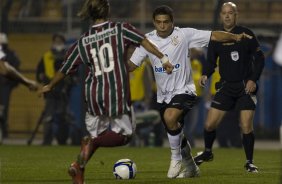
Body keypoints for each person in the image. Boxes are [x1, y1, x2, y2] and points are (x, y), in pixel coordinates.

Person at [39, 0, 173, 183]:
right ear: (108, 10)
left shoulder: (83, 41)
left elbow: (65, 68)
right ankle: (90, 144)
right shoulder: (120, 29)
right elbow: (144, 42)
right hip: (116, 92)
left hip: (93, 94)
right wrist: (163, 58)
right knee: (124, 136)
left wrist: (50, 85)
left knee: (98, 135)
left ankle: (78, 168)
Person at [128, 5, 252, 179]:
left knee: (170, 118)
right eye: (159, 22)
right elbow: (132, 66)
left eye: (166, 22)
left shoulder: (184, 35)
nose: (162, 26)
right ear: (154, 23)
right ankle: (191, 167)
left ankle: (175, 159)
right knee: (175, 130)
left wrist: (236, 37)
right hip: (164, 96)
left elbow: (214, 35)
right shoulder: (147, 41)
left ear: (172, 22)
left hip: (185, 90)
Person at [194, 2, 265, 173]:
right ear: (220, 16)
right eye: (224, 13)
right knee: (209, 125)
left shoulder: (246, 34)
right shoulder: (216, 37)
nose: (227, 16)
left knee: (246, 125)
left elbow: (260, 58)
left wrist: (253, 80)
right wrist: (205, 74)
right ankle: (208, 152)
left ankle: (249, 162)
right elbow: (211, 61)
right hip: (226, 87)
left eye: (230, 13)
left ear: (236, 15)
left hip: (244, 87)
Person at [36, 33, 73, 145]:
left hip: (63, 90)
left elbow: (72, 73)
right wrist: (42, 78)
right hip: (50, 90)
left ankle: (62, 140)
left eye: (60, 40)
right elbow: (39, 72)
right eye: (56, 40)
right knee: (49, 116)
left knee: (63, 116)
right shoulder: (46, 55)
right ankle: (47, 140)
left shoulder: (68, 55)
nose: (57, 42)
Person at [0, 33, 21, 138]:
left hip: (5, 85)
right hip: (5, 85)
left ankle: (3, 130)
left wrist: (11, 82)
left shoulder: (11, 55)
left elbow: (15, 69)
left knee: (4, 108)